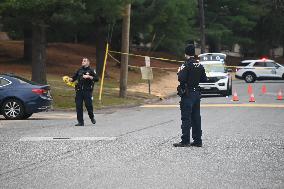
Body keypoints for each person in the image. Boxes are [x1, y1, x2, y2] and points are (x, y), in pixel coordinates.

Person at [173, 44, 208, 147]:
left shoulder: (186, 65)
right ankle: (197, 140)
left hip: (188, 94)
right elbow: (204, 79)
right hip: (197, 93)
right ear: (194, 53)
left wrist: (180, 72)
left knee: (186, 118)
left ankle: (185, 140)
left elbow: (181, 79)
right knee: (196, 117)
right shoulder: (199, 65)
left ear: (185, 53)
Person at [69, 57, 99, 126]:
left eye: (84, 61)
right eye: (82, 61)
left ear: (88, 62)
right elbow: (74, 77)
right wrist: (69, 79)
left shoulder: (91, 70)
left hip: (87, 91)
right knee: (78, 106)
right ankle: (80, 122)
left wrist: (89, 77)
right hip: (79, 91)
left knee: (89, 106)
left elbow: (97, 79)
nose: (82, 62)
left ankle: (92, 117)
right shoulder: (79, 70)